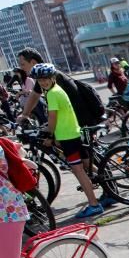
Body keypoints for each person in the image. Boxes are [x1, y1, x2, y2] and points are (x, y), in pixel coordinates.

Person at [32, 64, 105, 218]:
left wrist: (50, 135)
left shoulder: (52, 94)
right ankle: (110, 187)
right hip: (75, 132)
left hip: (67, 137)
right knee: (87, 165)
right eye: (39, 80)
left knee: (78, 171)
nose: (43, 82)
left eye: (45, 79)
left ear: (53, 78)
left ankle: (94, 204)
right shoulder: (58, 90)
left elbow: (53, 117)